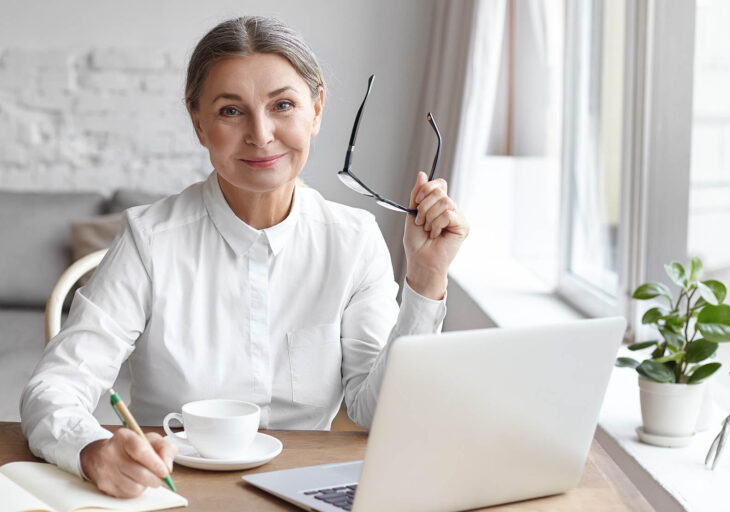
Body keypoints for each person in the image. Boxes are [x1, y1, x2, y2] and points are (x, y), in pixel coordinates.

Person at [20, 16, 469, 498]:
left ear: (316, 110)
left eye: (283, 105)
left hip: (308, 490)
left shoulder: (354, 240)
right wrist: (92, 451)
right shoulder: (148, 240)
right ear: (198, 123)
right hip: (174, 490)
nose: (261, 134)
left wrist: (426, 277)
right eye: (231, 111)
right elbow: (55, 388)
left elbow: (376, 411)